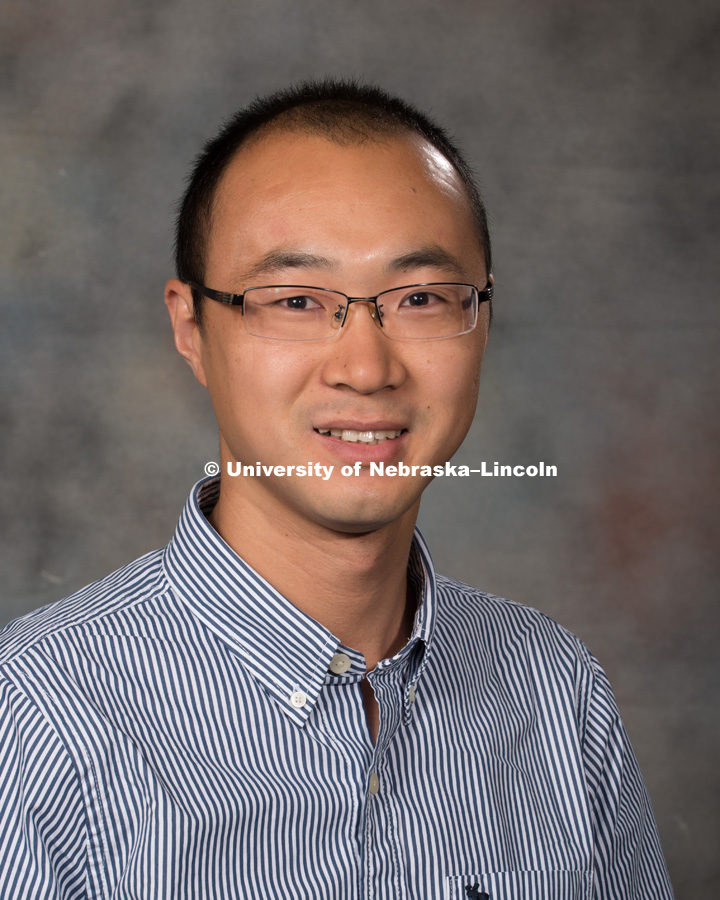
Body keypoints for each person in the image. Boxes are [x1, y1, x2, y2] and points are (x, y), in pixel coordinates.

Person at [0, 79, 673, 899]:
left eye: (421, 298)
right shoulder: (38, 721)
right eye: (295, 301)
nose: (365, 367)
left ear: (484, 319)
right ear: (191, 329)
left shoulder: (556, 694)